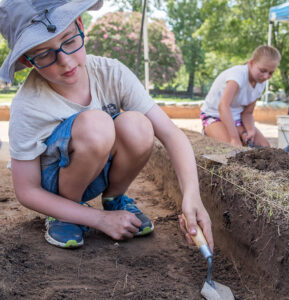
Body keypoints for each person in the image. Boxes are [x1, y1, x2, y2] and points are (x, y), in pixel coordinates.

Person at [0, 0, 213, 250]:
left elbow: (170, 134)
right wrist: (99, 220)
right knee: (97, 125)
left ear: (80, 26)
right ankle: (68, 212)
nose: (66, 62)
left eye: (69, 41)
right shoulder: (29, 105)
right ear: (27, 61)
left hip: (100, 170)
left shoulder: (111, 73)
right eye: (45, 54)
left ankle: (114, 198)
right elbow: (26, 191)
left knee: (140, 125)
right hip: (56, 187)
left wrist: (192, 195)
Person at [200, 45, 281, 148]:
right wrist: (234, 138)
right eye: (262, 70)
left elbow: (247, 113)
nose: (266, 76)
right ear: (252, 63)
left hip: (236, 118)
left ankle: (237, 132)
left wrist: (250, 130)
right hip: (215, 115)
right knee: (233, 148)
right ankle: (211, 130)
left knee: (265, 147)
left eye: (271, 73)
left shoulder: (261, 83)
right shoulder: (237, 75)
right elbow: (223, 106)